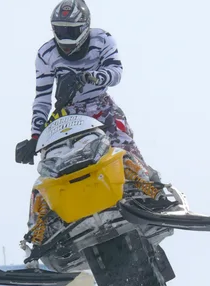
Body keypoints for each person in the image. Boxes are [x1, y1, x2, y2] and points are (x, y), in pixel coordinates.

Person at [16, 0, 156, 181]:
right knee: (53, 160)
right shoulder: (46, 54)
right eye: (60, 30)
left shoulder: (102, 39)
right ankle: (51, 204)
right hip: (65, 116)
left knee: (123, 147)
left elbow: (116, 72)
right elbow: (42, 99)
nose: (65, 38)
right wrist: (36, 137)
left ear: (85, 27)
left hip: (101, 107)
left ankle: (147, 187)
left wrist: (92, 76)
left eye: (71, 31)